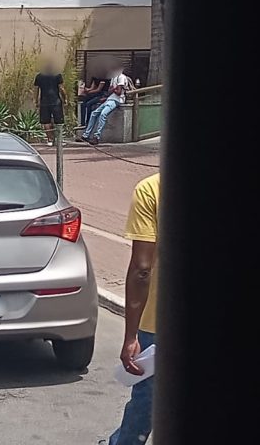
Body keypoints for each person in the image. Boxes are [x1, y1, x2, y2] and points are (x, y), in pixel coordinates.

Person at [107, 173, 160, 445]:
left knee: (146, 401)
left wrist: (130, 337)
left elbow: (142, 269)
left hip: (160, 322)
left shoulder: (151, 189)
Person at [80, 67, 132, 145]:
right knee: (94, 113)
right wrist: (113, 90)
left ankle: (97, 136)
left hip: (117, 100)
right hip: (110, 99)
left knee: (103, 114)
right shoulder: (113, 78)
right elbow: (110, 90)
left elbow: (118, 92)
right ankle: (86, 135)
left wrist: (114, 89)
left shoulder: (121, 77)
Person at [33, 58, 65, 147]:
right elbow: (61, 89)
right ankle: (59, 140)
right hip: (56, 101)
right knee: (58, 121)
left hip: (44, 101)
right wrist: (65, 99)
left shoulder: (39, 76)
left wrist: (36, 100)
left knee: (46, 121)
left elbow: (36, 90)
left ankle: (50, 139)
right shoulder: (58, 75)